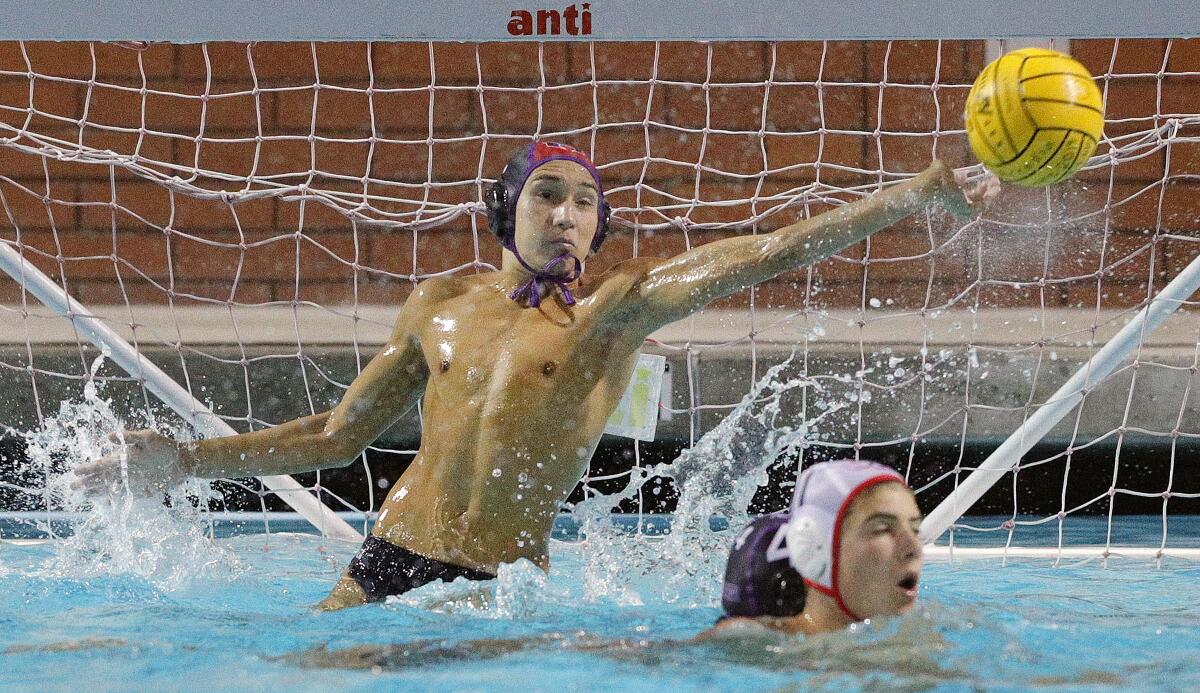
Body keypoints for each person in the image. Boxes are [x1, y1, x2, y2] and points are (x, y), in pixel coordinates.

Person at [72, 141, 993, 610]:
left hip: (496, 589)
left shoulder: (613, 315)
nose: (568, 216)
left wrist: (916, 195)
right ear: (507, 210)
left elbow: (769, 250)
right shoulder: (438, 304)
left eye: (587, 203)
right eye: (548, 194)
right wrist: (185, 460)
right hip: (383, 561)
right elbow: (336, 436)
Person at [706, 460, 923, 636]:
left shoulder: (924, 636)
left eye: (915, 529)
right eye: (883, 528)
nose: (914, 548)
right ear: (814, 546)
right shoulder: (748, 644)